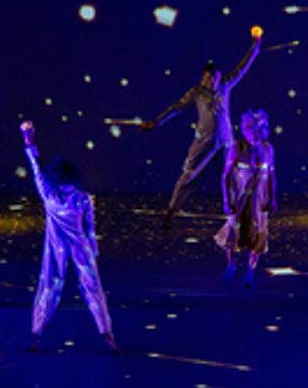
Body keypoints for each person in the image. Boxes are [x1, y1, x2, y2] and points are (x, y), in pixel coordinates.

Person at [141, 27, 261, 228]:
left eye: (215, 77)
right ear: (203, 77)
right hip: (204, 142)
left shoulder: (225, 86)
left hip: (225, 142)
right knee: (189, 176)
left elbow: (242, 68)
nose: (212, 80)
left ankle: (236, 214)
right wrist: (156, 122)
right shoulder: (196, 92)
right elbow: (176, 108)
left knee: (232, 177)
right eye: (208, 77)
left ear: (218, 77)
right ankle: (171, 212)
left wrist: (255, 46)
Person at [20, 121, 117, 354]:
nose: (67, 189)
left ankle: (106, 332)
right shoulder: (50, 193)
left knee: (93, 288)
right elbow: (34, 164)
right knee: (48, 288)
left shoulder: (80, 198)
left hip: (78, 246)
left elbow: (90, 226)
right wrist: (29, 139)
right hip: (56, 247)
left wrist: (93, 249)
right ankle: (36, 333)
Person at [214, 108, 276, 287]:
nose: (257, 133)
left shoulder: (267, 149)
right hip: (240, 197)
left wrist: (272, 198)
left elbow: (271, 175)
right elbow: (225, 175)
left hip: (259, 199)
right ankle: (231, 264)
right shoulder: (237, 148)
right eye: (253, 129)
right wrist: (227, 200)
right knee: (234, 232)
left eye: (261, 129)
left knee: (258, 233)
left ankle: (250, 271)